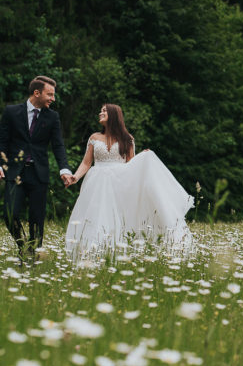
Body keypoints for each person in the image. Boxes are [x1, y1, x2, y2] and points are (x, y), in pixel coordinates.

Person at [64, 103, 193, 261]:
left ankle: (116, 252)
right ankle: (92, 252)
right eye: (101, 110)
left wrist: (143, 158)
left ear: (114, 114)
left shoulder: (127, 139)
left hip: (119, 182)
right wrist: (75, 177)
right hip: (97, 183)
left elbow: (131, 166)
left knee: (117, 216)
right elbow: (86, 163)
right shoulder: (94, 137)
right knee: (95, 215)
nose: (100, 113)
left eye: (104, 110)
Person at [0, 76, 73, 263]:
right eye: (49, 94)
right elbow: (2, 141)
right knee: (9, 214)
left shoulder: (53, 117)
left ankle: (33, 259)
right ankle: (23, 248)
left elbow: (58, 145)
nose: (53, 98)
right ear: (37, 93)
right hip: (15, 173)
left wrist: (64, 170)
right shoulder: (12, 112)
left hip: (39, 174)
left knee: (37, 219)